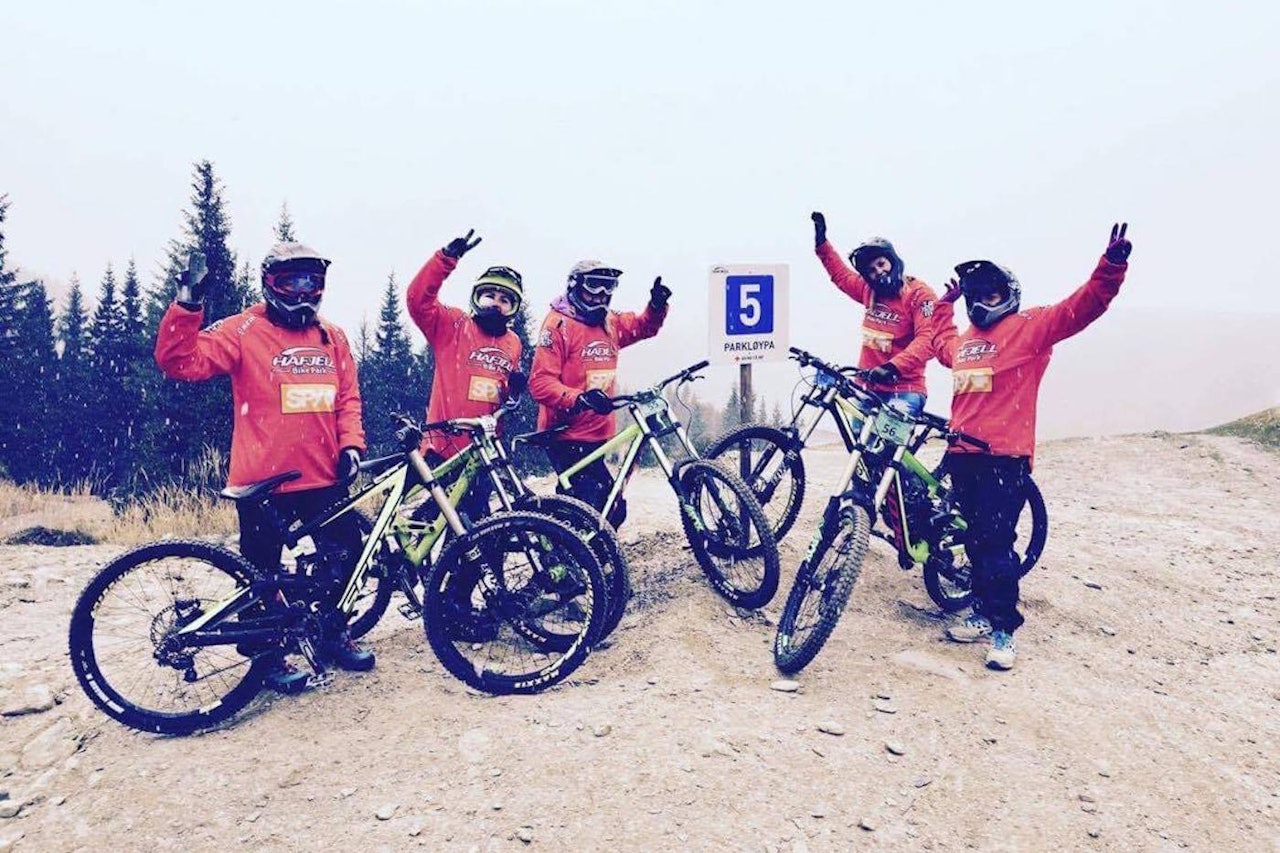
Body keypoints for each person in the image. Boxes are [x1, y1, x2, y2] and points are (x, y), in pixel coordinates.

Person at [154, 242, 372, 693]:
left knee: (345, 556)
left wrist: (351, 444)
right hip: (262, 483)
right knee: (260, 574)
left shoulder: (332, 336)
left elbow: (346, 398)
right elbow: (179, 362)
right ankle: (267, 656)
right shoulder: (242, 330)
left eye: (313, 282)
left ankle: (332, 632)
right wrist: (187, 304)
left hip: (324, 478)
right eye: (291, 281)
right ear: (270, 283)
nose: (303, 291)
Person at [930, 223, 1133, 670]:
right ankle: (983, 613)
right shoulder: (965, 343)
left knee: (998, 544)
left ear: (1009, 295)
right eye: (973, 295)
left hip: (1004, 458)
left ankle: (1004, 630)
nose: (980, 302)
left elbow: (1079, 309)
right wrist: (943, 306)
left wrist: (1110, 268)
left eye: (990, 293)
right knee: (975, 541)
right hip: (961, 456)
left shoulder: (1029, 328)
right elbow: (940, 342)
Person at [528, 261, 670, 527]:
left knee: (610, 507)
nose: (601, 294)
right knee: (589, 507)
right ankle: (565, 556)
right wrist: (578, 398)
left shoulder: (609, 323)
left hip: (598, 434)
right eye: (594, 285)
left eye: (609, 287)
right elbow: (540, 382)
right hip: (565, 434)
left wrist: (656, 307)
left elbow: (642, 327)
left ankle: (584, 556)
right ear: (575, 286)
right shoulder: (558, 325)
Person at [405, 227, 524, 467]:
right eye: (489, 295)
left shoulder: (513, 342)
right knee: (438, 507)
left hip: (484, 450)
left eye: (505, 300)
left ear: (513, 308)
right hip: (442, 448)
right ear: (476, 298)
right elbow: (418, 301)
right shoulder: (454, 325)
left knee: (481, 506)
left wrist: (515, 391)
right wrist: (444, 260)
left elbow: (503, 395)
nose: (496, 304)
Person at [810, 211, 939, 414]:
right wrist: (822, 244)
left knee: (886, 444)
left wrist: (892, 367)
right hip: (867, 387)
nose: (878, 271)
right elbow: (841, 276)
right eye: (871, 270)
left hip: (904, 389)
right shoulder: (868, 290)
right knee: (858, 444)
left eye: (881, 264)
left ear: (893, 261)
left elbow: (929, 339)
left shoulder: (919, 294)